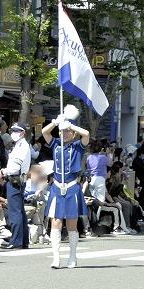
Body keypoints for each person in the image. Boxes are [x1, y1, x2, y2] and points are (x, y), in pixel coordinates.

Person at [42, 107, 91, 268]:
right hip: (56, 186)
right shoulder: (55, 143)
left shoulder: (78, 146)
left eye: (68, 132)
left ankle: (72, 256)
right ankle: (56, 258)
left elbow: (86, 134)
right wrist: (56, 122)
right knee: (55, 222)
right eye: (63, 132)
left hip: (72, 187)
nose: (65, 134)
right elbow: (45, 132)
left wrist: (70, 125)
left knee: (71, 223)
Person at [0, 122, 32, 250]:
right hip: (17, 180)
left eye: (16, 131)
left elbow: (14, 167)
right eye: (12, 131)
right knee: (20, 211)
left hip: (15, 180)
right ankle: (23, 240)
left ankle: (16, 241)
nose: (13, 133)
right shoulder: (20, 145)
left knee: (15, 212)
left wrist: (3, 171)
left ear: (22, 133)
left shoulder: (22, 146)